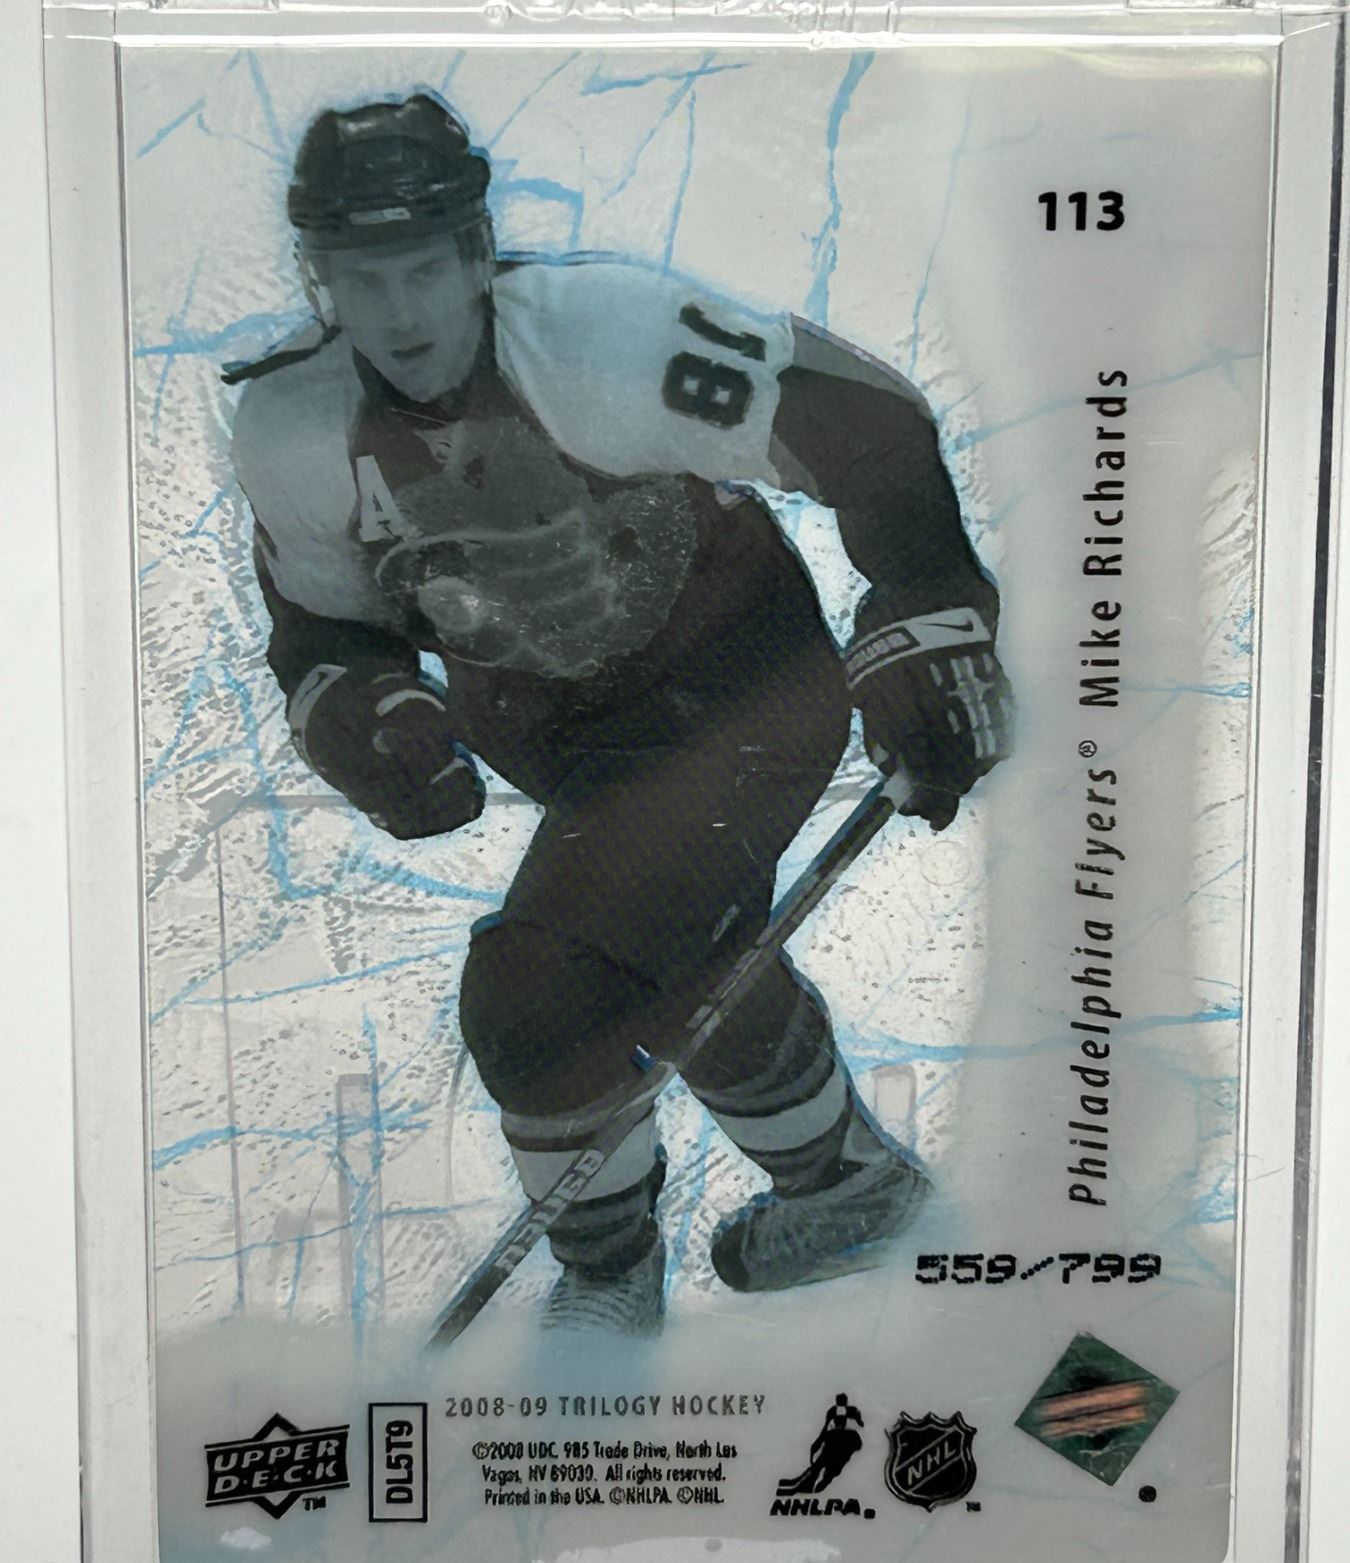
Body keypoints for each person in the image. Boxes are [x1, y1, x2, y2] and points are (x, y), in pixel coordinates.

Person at [226, 91, 1012, 1334]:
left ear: (478, 253)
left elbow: (863, 425)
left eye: (423, 269)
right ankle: (848, 1189)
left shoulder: (605, 339)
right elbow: (324, 628)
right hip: (562, 746)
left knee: (537, 991)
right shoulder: (290, 428)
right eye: (361, 279)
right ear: (319, 281)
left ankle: (605, 1284)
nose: (399, 313)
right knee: (674, 950)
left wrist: (925, 612)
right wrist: (366, 714)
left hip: (745, 692)